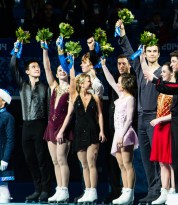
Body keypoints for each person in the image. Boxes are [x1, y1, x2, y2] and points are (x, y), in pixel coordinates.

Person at [117, 19, 162, 204]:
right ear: (144, 52)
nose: (151, 54)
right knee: (145, 159)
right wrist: (122, 35)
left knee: (158, 157)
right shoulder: (139, 68)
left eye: (154, 51)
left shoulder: (162, 72)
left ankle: (160, 190)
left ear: (159, 53)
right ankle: (152, 190)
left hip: (155, 117)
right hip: (141, 118)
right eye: (148, 51)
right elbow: (129, 53)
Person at [143, 50, 178, 193]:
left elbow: (174, 88)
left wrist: (155, 80)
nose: (171, 64)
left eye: (173, 61)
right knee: (176, 158)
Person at [10, 41, 51, 203]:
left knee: (42, 159)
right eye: (33, 67)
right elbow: (13, 67)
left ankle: (46, 190)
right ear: (27, 71)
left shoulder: (45, 87)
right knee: (30, 159)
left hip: (40, 125)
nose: (37, 68)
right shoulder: (22, 85)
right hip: (26, 126)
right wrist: (16, 50)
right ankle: (37, 188)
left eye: (38, 66)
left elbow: (48, 109)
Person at [101, 58, 139, 204]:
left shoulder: (130, 98)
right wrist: (104, 65)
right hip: (118, 133)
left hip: (126, 133)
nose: (117, 84)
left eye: (120, 82)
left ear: (125, 84)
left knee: (127, 163)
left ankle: (130, 192)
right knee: (121, 164)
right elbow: (110, 80)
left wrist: (121, 135)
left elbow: (129, 119)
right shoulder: (120, 94)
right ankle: (125, 191)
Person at [69, 55, 106, 203]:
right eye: (87, 81)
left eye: (90, 81)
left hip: (92, 131)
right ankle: (88, 190)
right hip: (79, 132)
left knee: (91, 162)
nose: (90, 82)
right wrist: (71, 64)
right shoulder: (74, 95)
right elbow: (72, 80)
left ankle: (93, 191)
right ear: (81, 83)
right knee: (84, 164)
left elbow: (100, 115)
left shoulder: (95, 97)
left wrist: (102, 131)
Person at [41, 43, 74, 203]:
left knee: (62, 159)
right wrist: (45, 50)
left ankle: (65, 190)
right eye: (59, 70)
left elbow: (70, 113)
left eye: (63, 70)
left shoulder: (72, 89)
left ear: (67, 72)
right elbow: (47, 68)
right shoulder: (54, 86)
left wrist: (62, 131)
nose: (61, 72)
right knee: (54, 161)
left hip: (63, 129)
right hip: (50, 127)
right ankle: (59, 188)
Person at [141, 60, 176, 204]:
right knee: (162, 162)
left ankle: (173, 190)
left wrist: (159, 120)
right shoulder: (163, 89)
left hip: (168, 127)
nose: (161, 75)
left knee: (170, 161)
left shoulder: (175, 90)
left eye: (163, 72)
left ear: (171, 72)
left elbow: (177, 113)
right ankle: (164, 191)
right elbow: (147, 74)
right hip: (159, 128)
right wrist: (142, 58)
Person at [0, 89, 14, 203]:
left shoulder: (8, 117)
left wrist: (5, 159)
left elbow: (10, 140)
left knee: (3, 194)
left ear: (3, 102)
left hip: (2, 157)